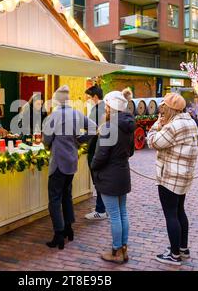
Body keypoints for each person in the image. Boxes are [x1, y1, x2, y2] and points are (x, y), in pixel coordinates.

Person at [147, 93, 198, 266]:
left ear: (169, 109)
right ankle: (183, 249)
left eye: (163, 108)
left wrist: (157, 124)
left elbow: (153, 142)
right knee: (179, 211)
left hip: (170, 175)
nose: (161, 110)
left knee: (171, 215)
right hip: (184, 175)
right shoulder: (190, 122)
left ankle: (174, 255)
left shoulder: (173, 126)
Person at [42, 85, 97, 250]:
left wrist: (49, 144)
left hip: (58, 162)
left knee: (54, 199)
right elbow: (94, 128)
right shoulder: (76, 113)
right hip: (72, 161)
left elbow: (46, 140)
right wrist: (80, 140)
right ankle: (68, 229)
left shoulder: (54, 116)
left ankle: (58, 234)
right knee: (67, 195)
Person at [91, 91, 135, 264]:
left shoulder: (109, 127)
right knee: (122, 213)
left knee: (115, 215)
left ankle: (116, 252)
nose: (105, 109)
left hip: (109, 175)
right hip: (123, 173)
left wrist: (93, 166)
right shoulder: (128, 124)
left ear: (111, 107)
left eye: (107, 106)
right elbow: (131, 151)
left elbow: (101, 155)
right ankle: (123, 249)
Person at [84, 85, 108, 220]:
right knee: (101, 179)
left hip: (95, 148)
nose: (88, 100)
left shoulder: (96, 109)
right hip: (103, 147)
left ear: (95, 97)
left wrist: (81, 139)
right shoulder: (106, 107)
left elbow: (91, 130)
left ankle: (100, 209)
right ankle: (102, 206)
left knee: (97, 179)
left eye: (89, 97)